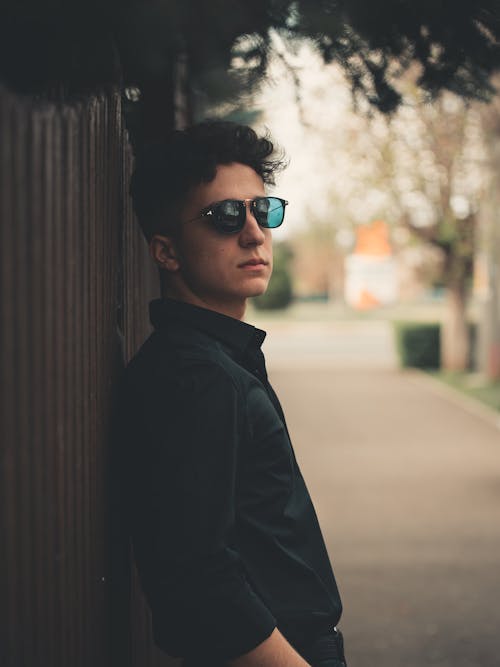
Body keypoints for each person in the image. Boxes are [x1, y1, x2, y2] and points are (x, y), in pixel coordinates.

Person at [119, 121, 346, 667]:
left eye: (263, 211)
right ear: (166, 252)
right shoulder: (195, 378)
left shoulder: (217, 361)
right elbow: (198, 579)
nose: (254, 234)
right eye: (225, 216)